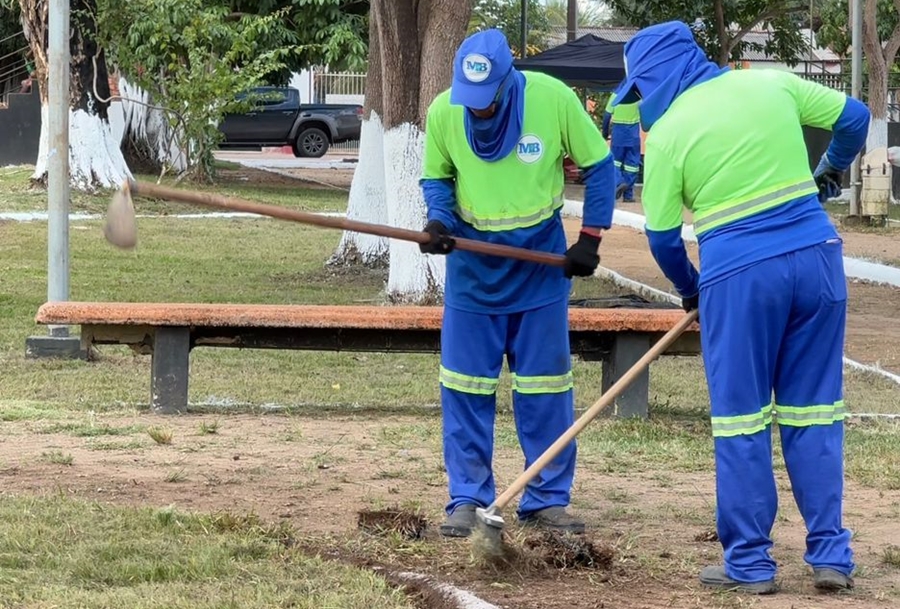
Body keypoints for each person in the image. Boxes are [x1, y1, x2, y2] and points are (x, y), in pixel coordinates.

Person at [611, 21, 868, 594]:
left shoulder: (672, 132)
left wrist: (692, 288)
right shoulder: (770, 85)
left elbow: (661, 240)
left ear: (657, 79)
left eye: (639, 93)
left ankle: (750, 564)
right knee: (815, 412)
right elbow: (854, 119)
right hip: (817, 259)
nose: (640, 108)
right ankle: (830, 555)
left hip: (741, 277)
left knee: (741, 421)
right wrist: (826, 174)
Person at [418, 28, 616, 538]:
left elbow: (599, 166)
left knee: (545, 388)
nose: (478, 109)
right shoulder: (444, 111)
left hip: (540, 267)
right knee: (464, 388)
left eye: (486, 100)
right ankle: (467, 497)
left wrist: (590, 238)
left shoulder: (553, 100)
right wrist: (439, 222)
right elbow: (437, 177)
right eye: (470, 99)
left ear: (508, 80)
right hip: (472, 268)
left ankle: (547, 499)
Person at [602, 91, 641, 202]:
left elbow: (607, 115)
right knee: (632, 166)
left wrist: (605, 133)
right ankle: (628, 196)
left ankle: (619, 183)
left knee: (615, 163)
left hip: (618, 134)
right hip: (633, 136)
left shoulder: (615, 95)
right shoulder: (638, 96)